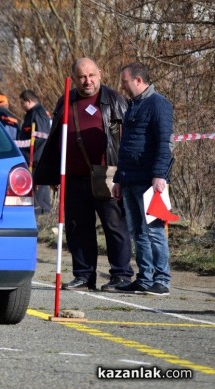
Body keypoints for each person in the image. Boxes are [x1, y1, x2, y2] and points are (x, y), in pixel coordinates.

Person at [33, 57, 134, 291]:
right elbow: (56, 138)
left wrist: (126, 172)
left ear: (100, 73)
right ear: (74, 77)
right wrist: (52, 174)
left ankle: (121, 275)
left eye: (91, 75)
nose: (87, 81)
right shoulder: (66, 101)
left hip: (108, 175)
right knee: (78, 228)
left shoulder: (114, 100)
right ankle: (84, 275)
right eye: (81, 76)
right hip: (73, 177)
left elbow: (128, 139)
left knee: (115, 226)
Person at [113, 62, 174, 296]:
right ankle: (145, 278)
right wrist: (119, 178)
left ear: (138, 80)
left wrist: (160, 175)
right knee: (137, 231)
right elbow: (126, 146)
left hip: (150, 181)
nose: (122, 86)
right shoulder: (132, 106)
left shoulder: (158, 104)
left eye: (125, 81)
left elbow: (164, 143)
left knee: (155, 231)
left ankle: (162, 279)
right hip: (129, 179)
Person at [19, 90, 52, 214]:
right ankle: (39, 211)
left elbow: (41, 137)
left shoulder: (38, 113)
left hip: (37, 156)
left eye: (22, 102)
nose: (21, 105)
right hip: (29, 156)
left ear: (29, 101)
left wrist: (35, 156)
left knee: (39, 185)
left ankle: (42, 212)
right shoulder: (30, 113)